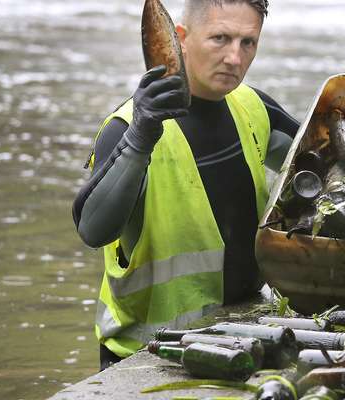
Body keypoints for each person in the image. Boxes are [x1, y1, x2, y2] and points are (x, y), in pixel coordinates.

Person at [71, 0, 299, 370]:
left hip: (238, 332)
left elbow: (321, 161)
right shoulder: (128, 127)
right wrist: (140, 139)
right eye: (220, 39)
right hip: (149, 353)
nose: (234, 58)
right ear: (181, 38)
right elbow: (93, 230)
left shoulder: (253, 106)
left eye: (248, 43)